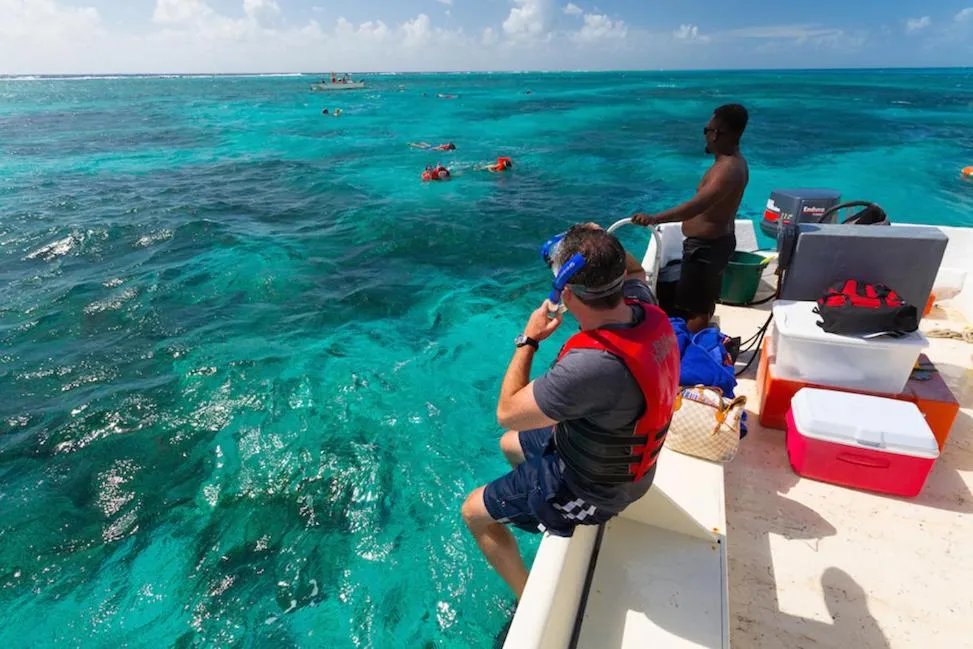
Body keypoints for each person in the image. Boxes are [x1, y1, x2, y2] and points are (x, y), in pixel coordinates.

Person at [461, 223, 681, 598]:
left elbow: (507, 410)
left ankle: (525, 597)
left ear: (566, 294)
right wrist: (600, 243)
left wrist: (528, 340)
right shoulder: (643, 307)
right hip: (621, 462)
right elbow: (635, 271)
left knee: (473, 512)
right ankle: (537, 504)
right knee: (510, 444)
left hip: (599, 491)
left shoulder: (592, 366)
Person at [632, 104, 750, 333]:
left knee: (694, 311)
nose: (706, 135)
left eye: (708, 129)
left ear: (717, 133)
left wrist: (653, 218)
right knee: (703, 303)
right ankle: (703, 344)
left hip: (705, 249)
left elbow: (696, 206)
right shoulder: (732, 163)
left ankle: (693, 358)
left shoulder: (727, 169)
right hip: (715, 244)